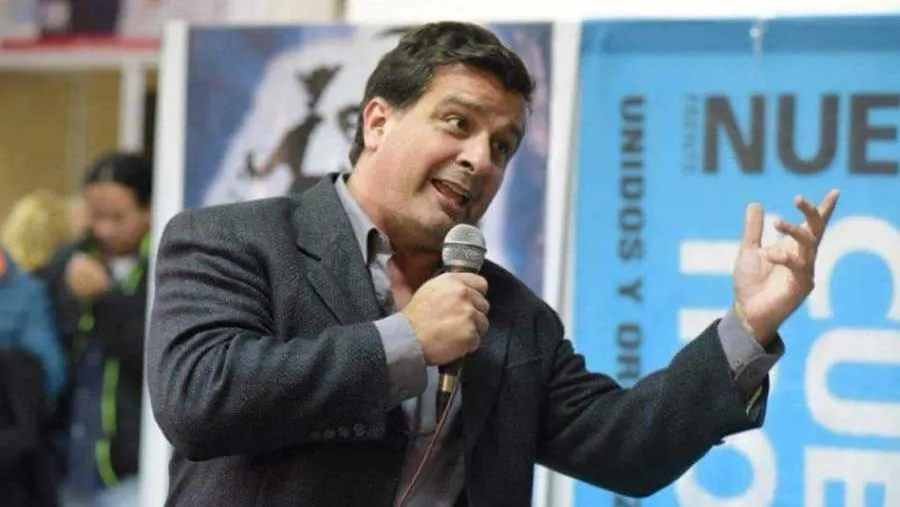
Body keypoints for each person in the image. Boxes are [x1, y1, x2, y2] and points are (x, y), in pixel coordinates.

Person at [147, 21, 840, 507]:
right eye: (458, 123)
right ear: (378, 122)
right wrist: (408, 340)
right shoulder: (233, 240)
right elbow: (200, 400)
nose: (481, 159)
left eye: (503, 145)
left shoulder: (513, 315)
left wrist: (749, 324)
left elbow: (629, 450)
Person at [41, 152, 153, 507]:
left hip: (133, 471)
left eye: (117, 217)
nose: (103, 228)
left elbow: (156, 355)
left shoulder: (167, 266)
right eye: (95, 214)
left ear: (149, 210)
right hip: (68, 464)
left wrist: (104, 300)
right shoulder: (66, 262)